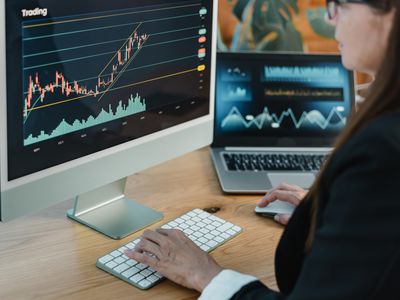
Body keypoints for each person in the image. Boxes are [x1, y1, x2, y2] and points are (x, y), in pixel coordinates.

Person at [126, 0, 400, 298]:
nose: (330, 18)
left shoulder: (382, 155)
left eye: (340, 5)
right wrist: (333, 210)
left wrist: (206, 275)